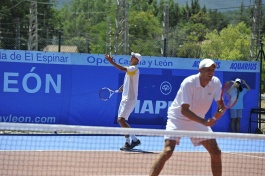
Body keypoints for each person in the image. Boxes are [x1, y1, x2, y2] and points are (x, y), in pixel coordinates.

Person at [149, 58, 226, 176]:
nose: (211, 72)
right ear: (200, 70)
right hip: (178, 119)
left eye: (213, 70)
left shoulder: (215, 82)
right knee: (168, 151)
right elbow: (184, 110)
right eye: (208, 69)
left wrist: (219, 111)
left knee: (216, 151)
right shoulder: (189, 82)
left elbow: (220, 105)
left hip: (198, 120)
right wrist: (205, 122)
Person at [105, 52, 141, 151]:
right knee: (121, 120)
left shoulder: (134, 68)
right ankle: (131, 141)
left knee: (121, 120)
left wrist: (111, 62)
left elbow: (122, 69)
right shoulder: (131, 70)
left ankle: (131, 141)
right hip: (125, 98)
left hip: (130, 98)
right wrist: (123, 87)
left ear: (137, 60)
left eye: (133, 57)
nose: (131, 57)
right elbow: (129, 80)